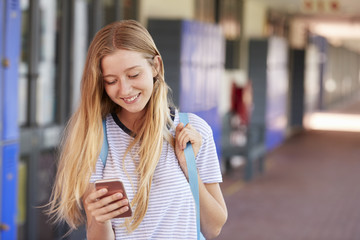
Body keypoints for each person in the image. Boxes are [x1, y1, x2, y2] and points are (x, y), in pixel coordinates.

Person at [48, 19, 227, 240]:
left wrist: (189, 168)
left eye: (133, 75)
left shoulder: (194, 130)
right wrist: (100, 219)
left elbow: (213, 228)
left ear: (156, 66)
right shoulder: (95, 137)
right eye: (111, 81)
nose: (125, 89)